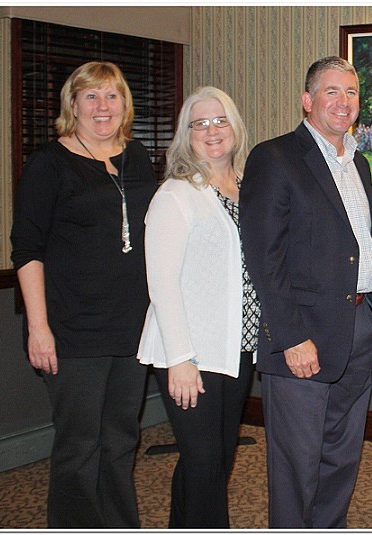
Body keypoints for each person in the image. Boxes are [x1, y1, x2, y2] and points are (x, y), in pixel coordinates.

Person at [238, 56, 372, 529]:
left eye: (351, 93)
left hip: (359, 326)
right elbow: (265, 257)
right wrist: (290, 337)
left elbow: (363, 244)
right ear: (307, 100)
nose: (343, 103)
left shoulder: (359, 163)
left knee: (342, 457)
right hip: (302, 336)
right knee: (296, 465)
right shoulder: (275, 157)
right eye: (331, 92)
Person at [10, 61, 156, 528]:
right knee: (79, 447)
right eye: (90, 96)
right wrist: (39, 329)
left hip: (132, 329)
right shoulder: (48, 163)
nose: (101, 106)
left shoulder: (139, 158)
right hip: (74, 331)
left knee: (120, 441)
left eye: (111, 96)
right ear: (72, 104)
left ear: (124, 104)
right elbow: (28, 250)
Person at [136, 86, 259, 527]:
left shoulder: (248, 188)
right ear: (185, 135)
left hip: (237, 349)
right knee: (206, 466)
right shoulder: (176, 194)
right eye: (199, 123)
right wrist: (181, 359)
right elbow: (162, 285)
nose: (211, 131)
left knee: (210, 461)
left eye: (220, 120)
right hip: (193, 354)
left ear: (236, 128)